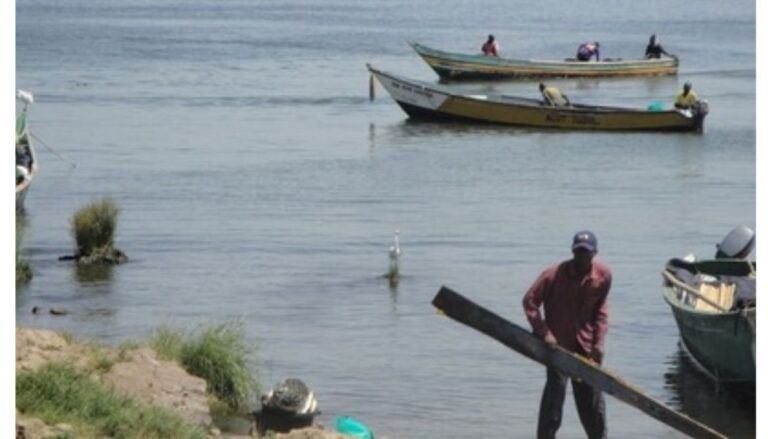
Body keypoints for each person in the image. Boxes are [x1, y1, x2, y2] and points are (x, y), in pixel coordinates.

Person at [522, 231, 611, 439]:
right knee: (554, 401)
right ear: (572, 252)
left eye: (586, 253)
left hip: (586, 349)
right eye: (578, 252)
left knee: (592, 406)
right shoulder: (553, 275)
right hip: (557, 347)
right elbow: (530, 302)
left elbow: (601, 311)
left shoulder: (603, 276)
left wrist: (599, 342)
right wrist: (544, 334)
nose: (581, 257)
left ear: (594, 254)